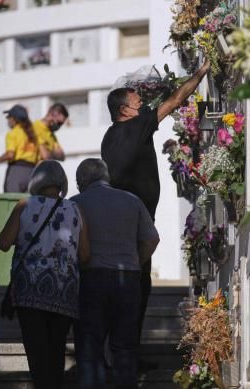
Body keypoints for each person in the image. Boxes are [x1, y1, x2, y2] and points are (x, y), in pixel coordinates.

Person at [100, 60, 210, 351]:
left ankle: (124, 355)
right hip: (136, 224)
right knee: (136, 290)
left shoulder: (109, 137)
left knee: (132, 288)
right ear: (125, 110)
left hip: (118, 223)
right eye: (137, 101)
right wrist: (200, 72)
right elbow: (174, 101)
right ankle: (125, 358)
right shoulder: (136, 126)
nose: (142, 102)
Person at [0, 160, 90, 389]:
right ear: (62, 183)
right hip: (64, 290)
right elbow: (86, 255)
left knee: (37, 352)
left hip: (30, 289)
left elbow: (3, 243)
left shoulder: (24, 205)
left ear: (35, 181)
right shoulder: (75, 210)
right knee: (56, 349)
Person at [70, 159, 159, 389]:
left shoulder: (74, 203)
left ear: (81, 181)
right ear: (106, 177)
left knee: (90, 348)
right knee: (124, 347)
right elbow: (152, 239)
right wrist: (136, 263)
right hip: (127, 279)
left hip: (90, 280)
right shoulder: (132, 200)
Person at [0, 104, 49, 192]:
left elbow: (10, 155)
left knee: (12, 203)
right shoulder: (35, 134)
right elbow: (45, 156)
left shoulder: (13, 133)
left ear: (14, 119)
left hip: (16, 172)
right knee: (28, 204)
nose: (7, 119)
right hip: (32, 173)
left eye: (8, 117)